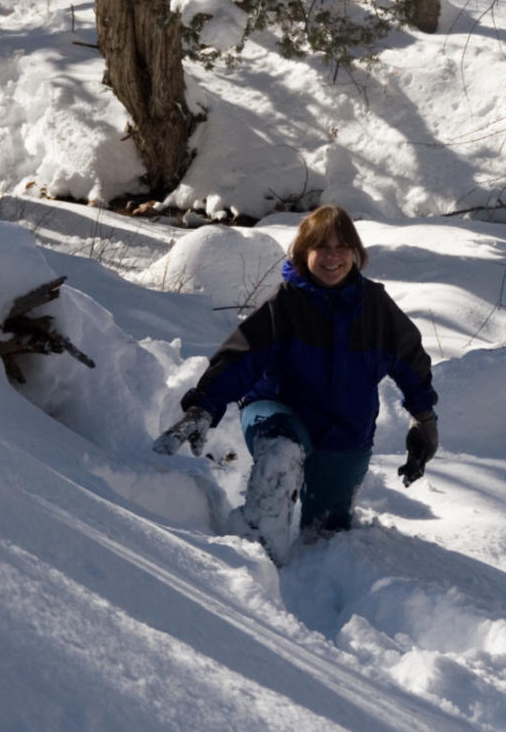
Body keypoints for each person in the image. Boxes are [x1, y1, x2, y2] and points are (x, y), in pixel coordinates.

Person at [153, 204, 439, 563]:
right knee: (281, 454)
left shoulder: (377, 308)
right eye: (322, 247)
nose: (332, 257)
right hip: (277, 411)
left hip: (344, 432)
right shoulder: (285, 305)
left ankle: (311, 575)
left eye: (341, 247)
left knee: (325, 533)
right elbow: (240, 359)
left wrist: (424, 419)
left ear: (355, 253)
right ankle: (255, 557)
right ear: (305, 253)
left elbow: (411, 360)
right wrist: (204, 404)